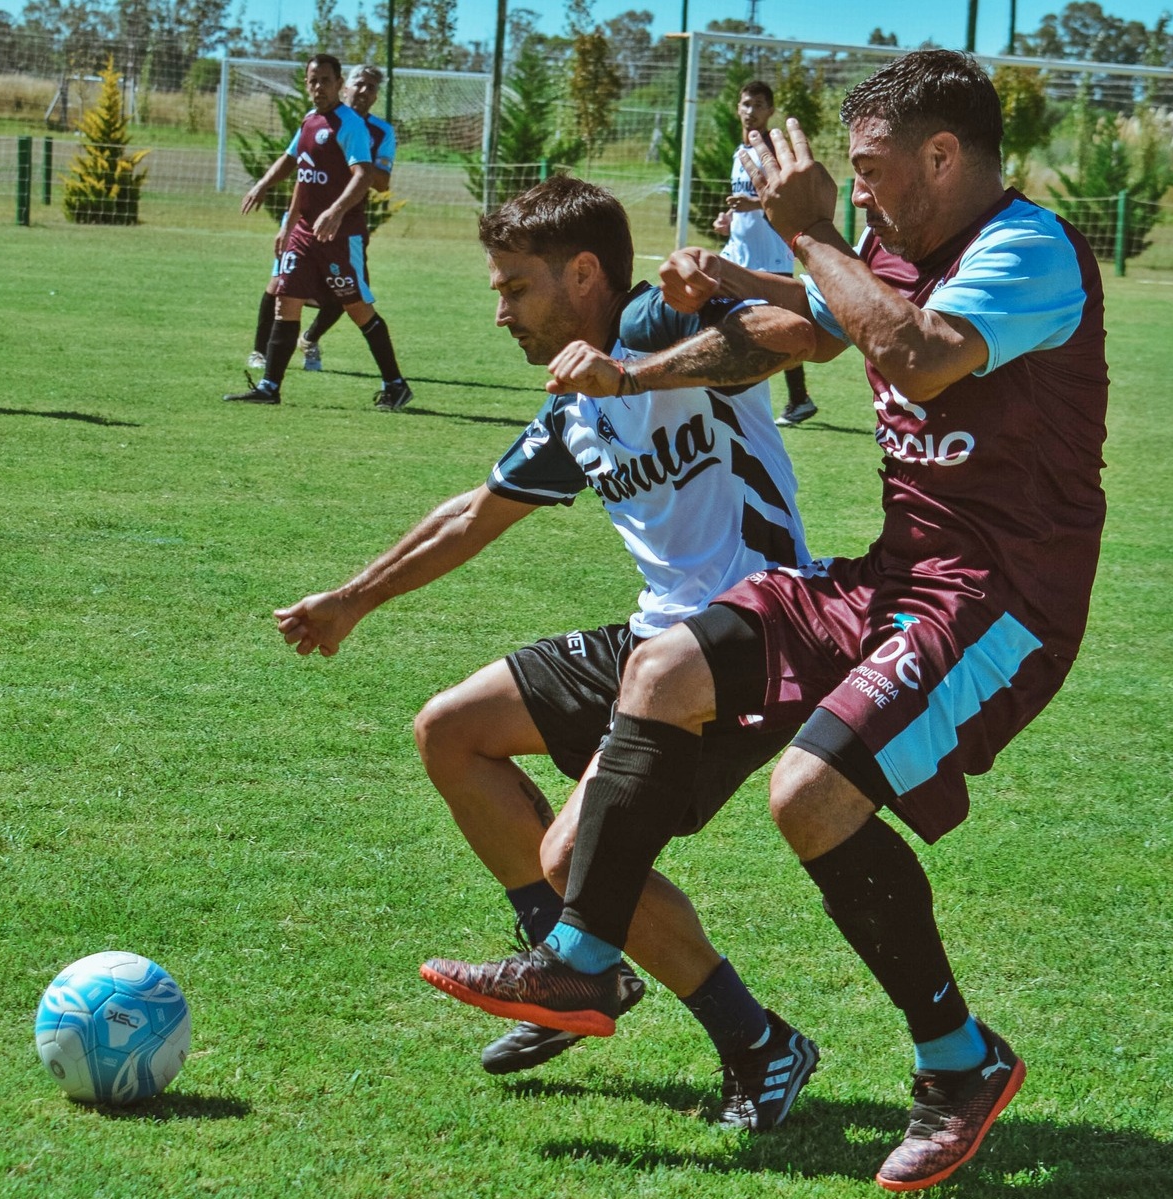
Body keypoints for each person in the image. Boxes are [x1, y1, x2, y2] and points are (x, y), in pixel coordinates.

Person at [421, 50, 1109, 1193]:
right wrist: (696, 325)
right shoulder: (898, 247)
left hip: (1002, 597)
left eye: (873, 168)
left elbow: (919, 358)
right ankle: (580, 956)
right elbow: (818, 330)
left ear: (944, 155)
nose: (861, 188)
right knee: (665, 668)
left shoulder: (1026, 249)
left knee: (810, 793)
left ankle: (958, 1058)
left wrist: (809, 232)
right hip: (899, 571)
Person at [276, 176, 823, 1129]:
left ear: (584, 275)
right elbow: (473, 515)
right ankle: (572, 969)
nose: (501, 312)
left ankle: (757, 1041)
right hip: (658, 635)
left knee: (577, 857)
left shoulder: (654, 322)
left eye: (516, 288)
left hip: (754, 637)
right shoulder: (574, 403)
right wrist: (352, 600)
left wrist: (641, 370)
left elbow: (796, 335)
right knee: (451, 731)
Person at [226, 54, 412, 412]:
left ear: (338, 84)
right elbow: (301, 172)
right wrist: (279, 209)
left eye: (325, 80)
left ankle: (395, 384)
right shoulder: (310, 121)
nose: (318, 87)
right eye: (312, 80)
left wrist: (336, 211)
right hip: (304, 233)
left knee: (357, 308)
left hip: (340, 235)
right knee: (285, 299)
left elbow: (364, 175)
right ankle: (269, 387)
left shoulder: (350, 124)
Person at [715, 80, 817, 428]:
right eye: (746, 104)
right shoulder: (738, 153)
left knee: (780, 329)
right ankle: (732, 394)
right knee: (724, 317)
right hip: (739, 253)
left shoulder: (773, 151)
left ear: (770, 110)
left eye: (759, 105)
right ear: (737, 108)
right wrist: (729, 220)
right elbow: (744, 205)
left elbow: (787, 199)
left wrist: (753, 204)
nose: (751, 111)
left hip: (771, 256)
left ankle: (798, 399)